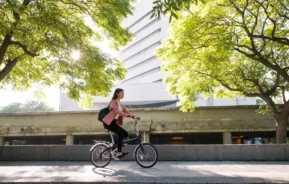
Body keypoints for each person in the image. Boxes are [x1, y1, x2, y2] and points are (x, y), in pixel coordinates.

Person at [102, 88, 135, 158]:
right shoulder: (113, 102)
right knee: (121, 134)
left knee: (125, 134)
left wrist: (133, 116)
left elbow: (126, 111)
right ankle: (119, 153)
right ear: (117, 93)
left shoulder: (119, 103)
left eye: (123, 93)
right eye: (121, 93)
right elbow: (117, 111)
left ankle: (114, 146)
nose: (123, 94)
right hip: (109, 123)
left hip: (113, 123)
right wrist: (127, 115)